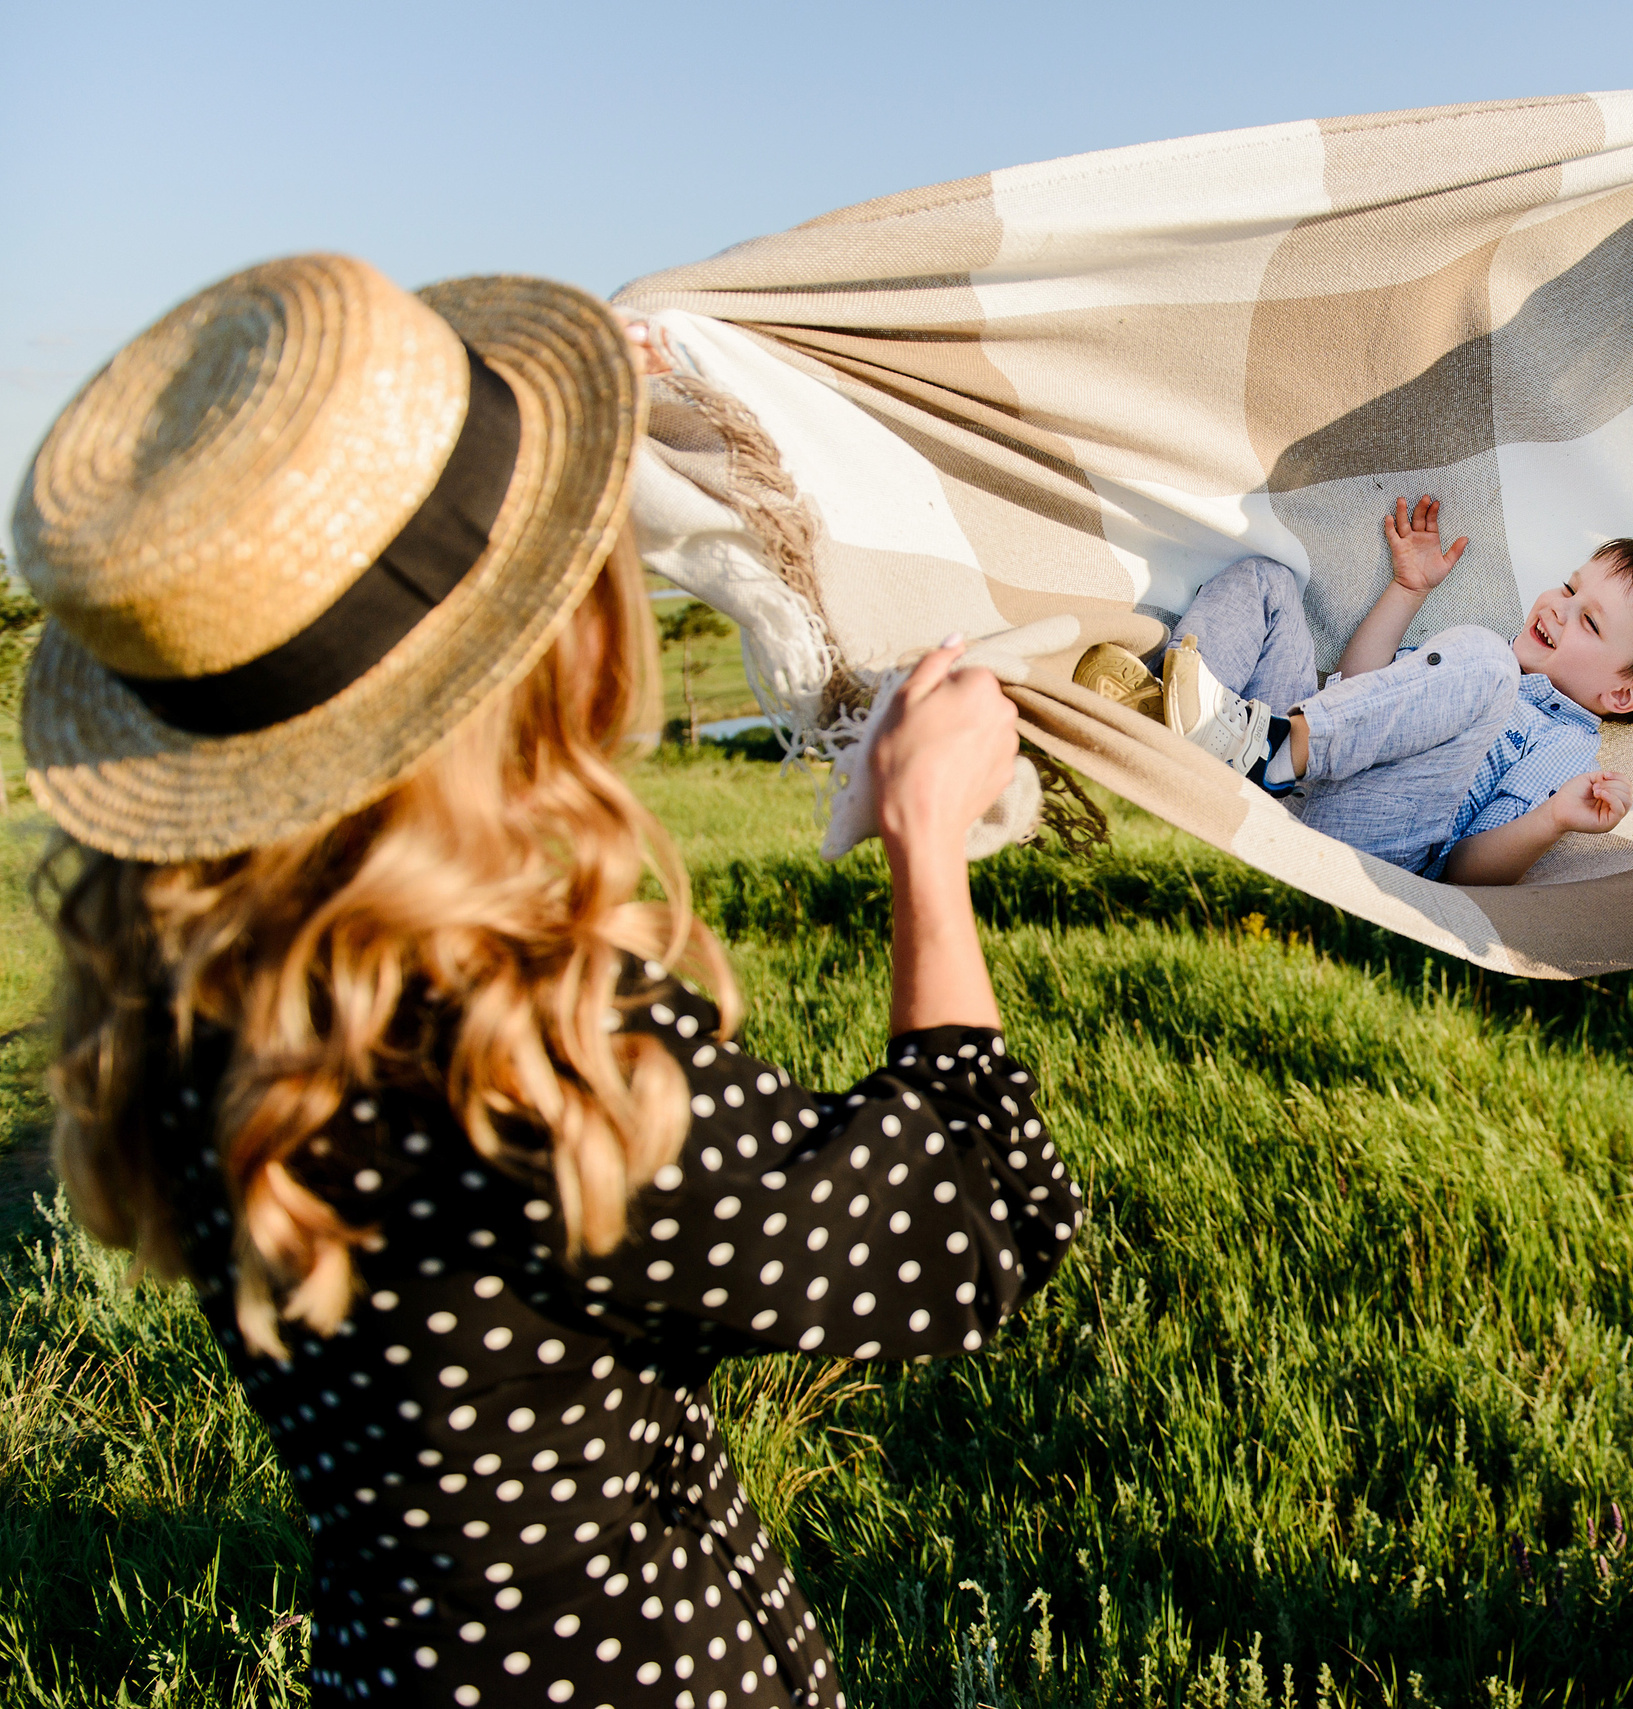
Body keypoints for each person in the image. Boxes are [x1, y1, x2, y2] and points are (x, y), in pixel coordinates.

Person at [19, 253, 1080, 1709]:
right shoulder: (526, 1059)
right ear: (543, 651)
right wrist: (926, 849)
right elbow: (969, 1230)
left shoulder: (194, 991)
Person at [1076, 497, 1633, 883]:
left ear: (1624, 694)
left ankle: (1261, 747)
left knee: (1487, 664)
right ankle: (1170, 711)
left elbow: (1465, 872)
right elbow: (1360, 687)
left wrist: (1554, 819)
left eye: (1589, 620)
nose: (1559, 607)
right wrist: (1409, 590)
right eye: (1569, 587)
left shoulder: (1564, 747)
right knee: (1269, 582)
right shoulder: (1476, 660)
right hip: (1300, 759)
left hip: (1372, 839)